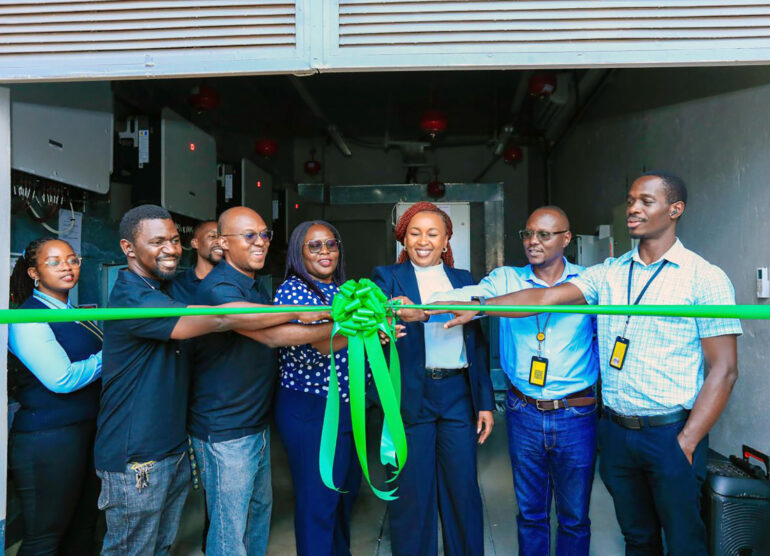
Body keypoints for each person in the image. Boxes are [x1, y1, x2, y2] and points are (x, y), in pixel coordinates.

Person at [434, 173, 742, 555]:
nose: (633, 209)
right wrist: (478, 306)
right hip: (616, 433)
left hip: (670, 432)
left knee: (683, 542)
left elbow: (725, 370)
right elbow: (543, 298)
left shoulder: (705, 278)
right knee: (638, 538)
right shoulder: (608, 273)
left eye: (646, 201)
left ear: (675, 209)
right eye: (630, 200)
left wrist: (688, 440)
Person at [95, 204, 328, 556]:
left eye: (175, 240)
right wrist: (303, 311)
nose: (171, 249)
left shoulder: (165, 290)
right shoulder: (134, 298)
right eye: (158, 242)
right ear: (128, 248)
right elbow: (221, 319)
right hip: (138, 454)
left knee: (161, 547)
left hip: (170, 446)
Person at [440, 206, 599, 555]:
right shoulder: (506, 279)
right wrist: (418, 305)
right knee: (530, 514)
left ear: (566, 239)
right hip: (523, 410)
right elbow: (470, 296)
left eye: (544, 234)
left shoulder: (589, 281)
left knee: (574, 517)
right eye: (528, 234)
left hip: (576, 413)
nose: (532, 241)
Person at [190, 207, 337, 556]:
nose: (261, 242)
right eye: (249, 235)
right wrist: (308, 314)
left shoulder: (252, 285)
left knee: (256, 521)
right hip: (225, 430)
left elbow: (277, 334)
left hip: (253, 425)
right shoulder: (219, 288)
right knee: (229, 535)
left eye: (264, 234)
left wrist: (349, 328)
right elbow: (273, 335)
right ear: (223, 243)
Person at [372, 201, 494, 556]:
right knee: (412, 493)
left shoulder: (464, 280)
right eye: (414, 233)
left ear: (445, 241)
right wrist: (381, 331)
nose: (423, 241)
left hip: (458, 393)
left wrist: (485, 402)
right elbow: (373, 327)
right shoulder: (386, 277)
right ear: (403, 239)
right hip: (411, 393)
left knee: (462, 489)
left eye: (432, 234)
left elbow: (478, 344)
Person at [7, 238, 102, 555]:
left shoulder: (73, 313)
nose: (67, 267)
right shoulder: (28, 317)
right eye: (54, 262)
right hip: (48, 438)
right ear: (34, 272)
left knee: (83, 526)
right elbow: (62, 379)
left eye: (72, 259)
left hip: (84, 429)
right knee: (45, 537)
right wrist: (112, 355)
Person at [273, 220, 362, 556]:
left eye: (331, 244)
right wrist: (365, 331)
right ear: (299, 252)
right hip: (311, 408)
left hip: (346, 406)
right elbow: (316, 348)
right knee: (318, 502)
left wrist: (379, 335)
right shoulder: (293, 291)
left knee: (342, 498)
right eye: (314, 246)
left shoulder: (343, 291)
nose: (325, 251)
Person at [170, 219, 223, 304]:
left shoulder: (234, 281)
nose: (219, 242)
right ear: (195, 243)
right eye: (212, 236)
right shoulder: (176, 284)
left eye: (222, 238)